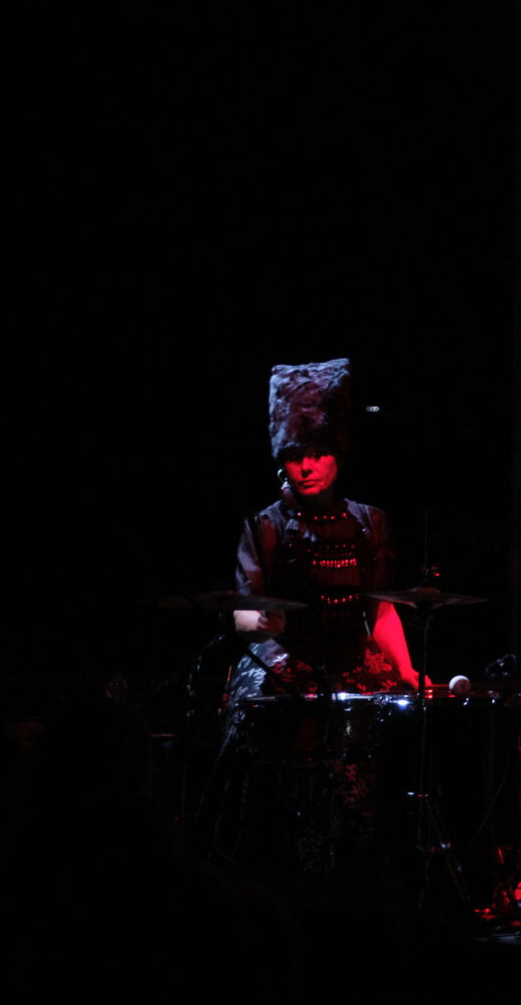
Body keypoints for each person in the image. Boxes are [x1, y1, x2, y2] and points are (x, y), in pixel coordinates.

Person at [211, 358, 427, 871]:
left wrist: (407, 669)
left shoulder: (371, 522)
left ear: (337, 456)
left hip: (350, 657)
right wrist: (261, 622)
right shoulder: (264, 525)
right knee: (275, 713)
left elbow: (382, 610)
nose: (306, 467)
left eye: (317, 454)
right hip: (281, 658)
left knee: (393, 718)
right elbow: (243, 611)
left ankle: (368, 858)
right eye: (295, 457)